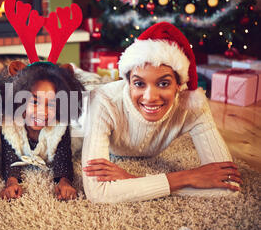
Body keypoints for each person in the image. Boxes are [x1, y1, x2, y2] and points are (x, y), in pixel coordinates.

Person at [82, 22, 242, 203]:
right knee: (74, 80)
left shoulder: (193, 105)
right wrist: (186, 177)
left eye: (163, 83)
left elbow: (228, 186)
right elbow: (97, 192)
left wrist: (133, 182)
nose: (150, 97)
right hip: (85, 97)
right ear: (128, 82)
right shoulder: (103, 101)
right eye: (139, 83)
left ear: (179, 85)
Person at [0, 61, 84, 201]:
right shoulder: (10, 125)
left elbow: (63, 160)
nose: (42, 112)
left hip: (75, 137)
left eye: (51, 103)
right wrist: (11, 183)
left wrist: (64, 182)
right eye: (35, 102)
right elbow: (9, 159)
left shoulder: (60, 126)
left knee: (81, 136)